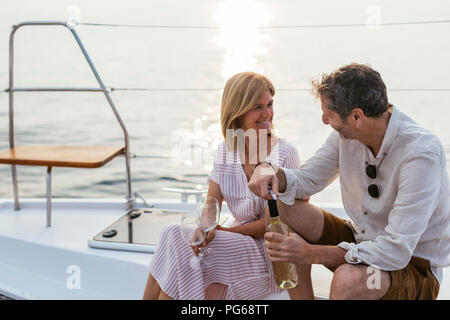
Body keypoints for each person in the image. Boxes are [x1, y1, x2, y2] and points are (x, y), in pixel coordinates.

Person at [249, 63, 450, 300]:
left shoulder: (420, 154)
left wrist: (310, 253)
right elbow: (307, 179)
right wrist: (269, 170)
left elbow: (395, 251)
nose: (324, 120)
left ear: (357, 116)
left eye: (329, 113)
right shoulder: (346, 134)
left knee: (347, 279)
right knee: (282, 209)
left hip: (412, 268)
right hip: (361, 240)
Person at [142, 72, 303, 300]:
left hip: (267, 253)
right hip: (236, 241)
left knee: (177, 240)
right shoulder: (227, 150)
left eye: (270, 104)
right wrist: (206, 227)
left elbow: (273, 222)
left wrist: (224, 232)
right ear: (237, 110)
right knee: (176, 238)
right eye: (258, 107)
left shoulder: (285, 153)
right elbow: (212, 201)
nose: (268, 113)